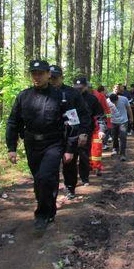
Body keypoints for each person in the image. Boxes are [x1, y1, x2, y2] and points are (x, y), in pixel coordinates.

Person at [6, 59, 80, 231]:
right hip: (32, 144)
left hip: (54, 143)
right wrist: (11, 148)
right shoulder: (23, 96)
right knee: (40, 180)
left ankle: (42, 214)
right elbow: (13, 122)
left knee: (45, 177)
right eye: (34, 74)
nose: (37, 77)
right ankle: (50, 208)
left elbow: (73, 123)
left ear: (48, 75)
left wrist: (70, 148)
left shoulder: (61, 97)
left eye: (40, 74)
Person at [49, 65, 92, 200]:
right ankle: (50, 192)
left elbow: (84, 114)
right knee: (50, 165)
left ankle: (69, 187)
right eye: (50, 78)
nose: (52, 81)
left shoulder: (72, 93)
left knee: (69, 162)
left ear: (62, 77)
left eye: (55, 78)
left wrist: (83, 132)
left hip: (69, 134)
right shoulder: (43, 92)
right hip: (50, 136)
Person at [73, 77, 107, 177]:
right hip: (71, 131)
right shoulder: (69, 97)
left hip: (87, 130)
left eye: (81, 88)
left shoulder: (92, 99)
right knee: (71, 157)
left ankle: (85, 177)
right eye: (76, 87)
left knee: (85, 155)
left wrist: (101, 129)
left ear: (86, 87)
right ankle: (70, 183)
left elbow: (100, 115)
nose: (79, 90)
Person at [108, 92, 133, 162]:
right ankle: (115, 149)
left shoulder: (124, 99)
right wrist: (108, 119)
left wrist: (131, 118)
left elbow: (128, 108)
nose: (114, 103)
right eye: (113, 102)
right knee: (114, 136)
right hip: (113, 122)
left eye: (115, 102)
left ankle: (122, 154)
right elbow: (106, 112)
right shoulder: (108, 101)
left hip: (123, 121)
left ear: (118, 98)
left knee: (123, 137)